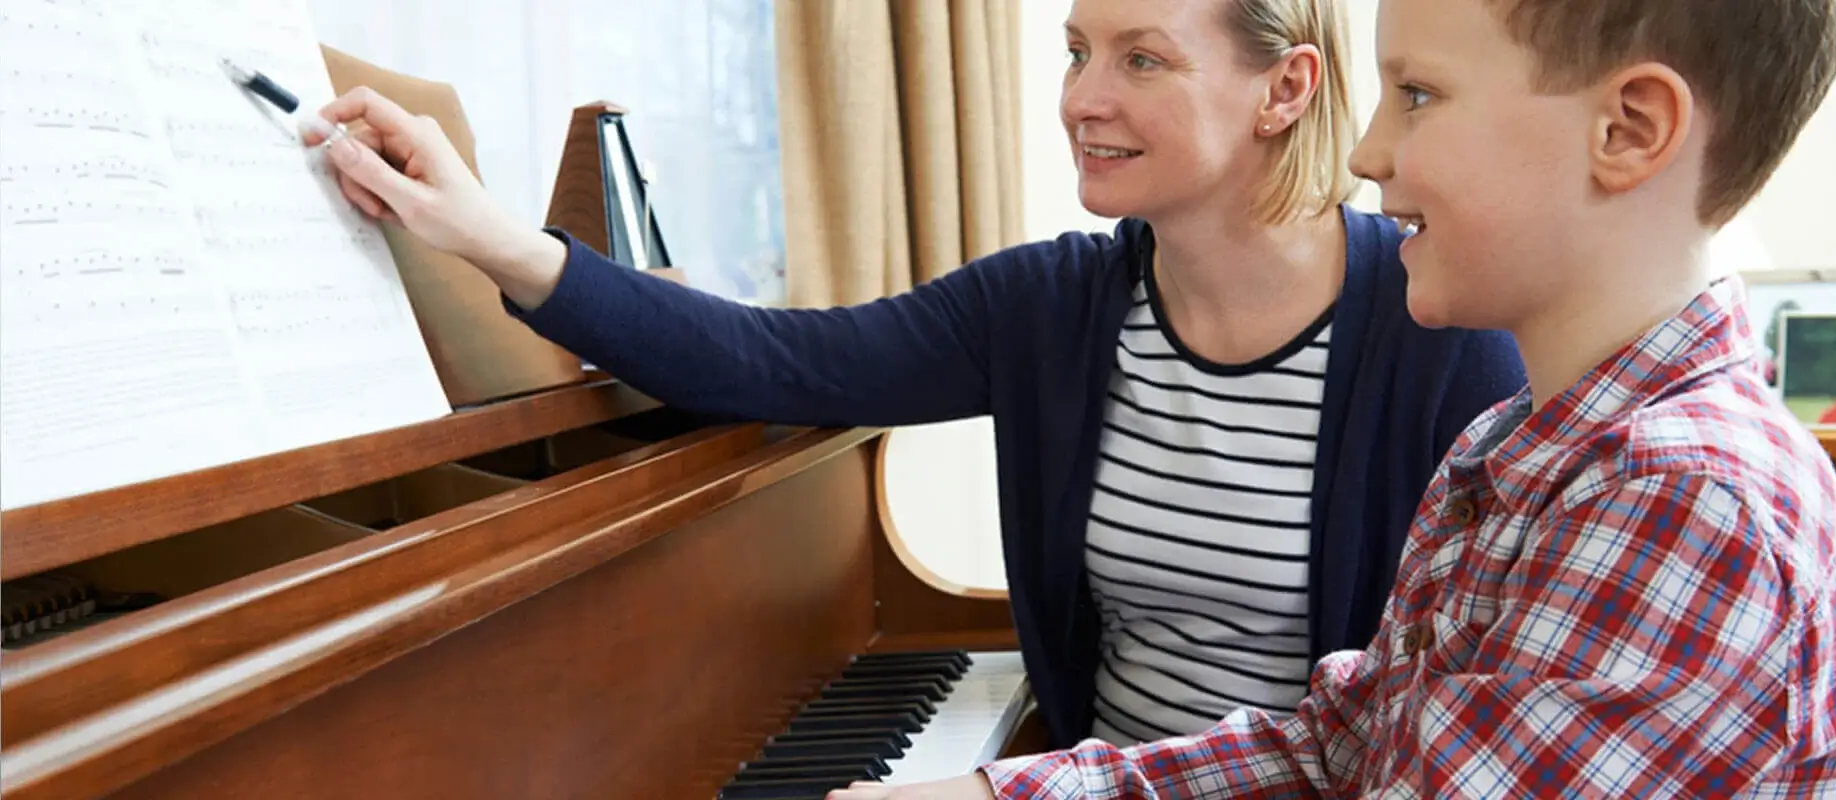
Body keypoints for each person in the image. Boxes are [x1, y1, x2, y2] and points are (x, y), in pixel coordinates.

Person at [311, 0, 1524, 758]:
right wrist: (488, 236)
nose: (1081, 100)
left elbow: (1456, 711)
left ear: (1287, 88)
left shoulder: (1434, 327)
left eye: (1141, 60)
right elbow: (778, 361)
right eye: (1074, 50)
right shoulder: (1050, 303)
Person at [825, 0, 1836, 795]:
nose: (1368, 149)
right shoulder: (1517, 446)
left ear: (1628, 130)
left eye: (1418, 95)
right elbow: (1339, 741)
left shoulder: (1683, 503)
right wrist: (986, 789)